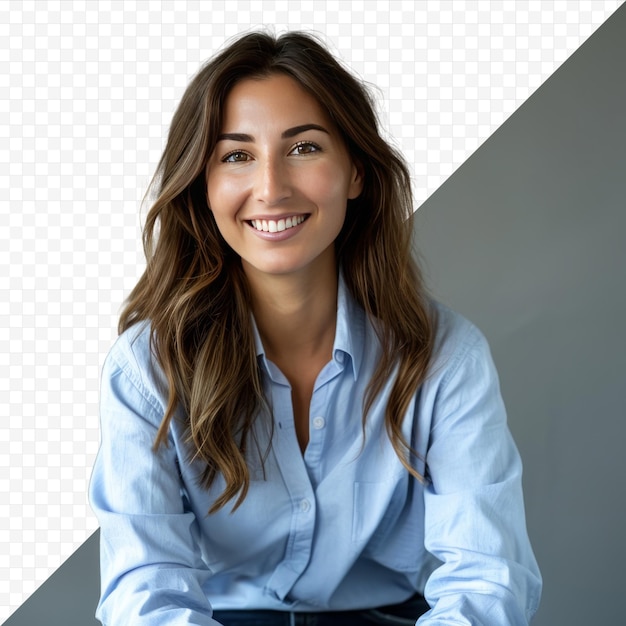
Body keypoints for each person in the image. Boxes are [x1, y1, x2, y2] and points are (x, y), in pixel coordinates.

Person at [89, 30, 542, 625]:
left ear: (355, 171)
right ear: (203, 185)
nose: (272, 188)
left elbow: (488, 578)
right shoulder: (146, 368)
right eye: (236, 155)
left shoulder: (446, 357)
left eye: (303, 148)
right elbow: (143, 590)